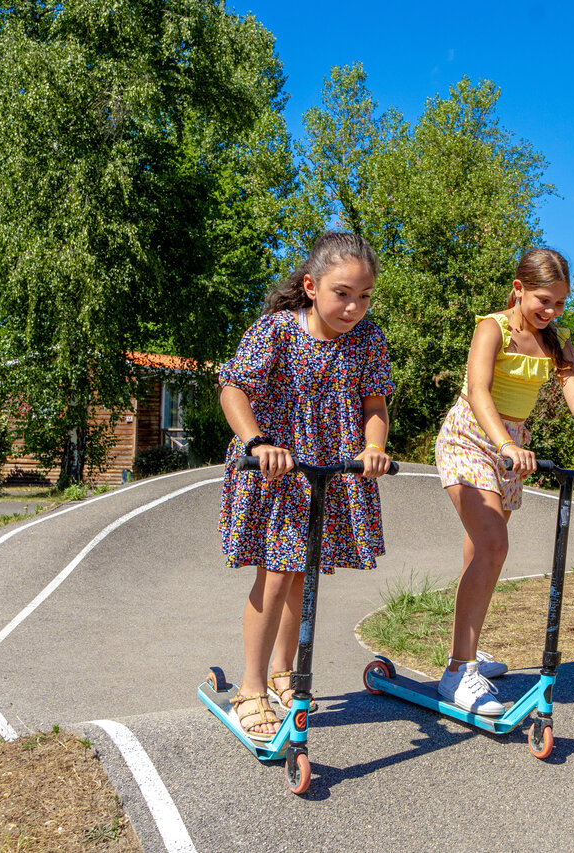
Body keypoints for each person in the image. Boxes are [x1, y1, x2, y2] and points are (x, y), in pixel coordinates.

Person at [217, 231, 394, 742]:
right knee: (276, 573)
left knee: (302, 572)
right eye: (343, 293)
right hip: (275, 466)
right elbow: (234, 388)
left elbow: (374, 404)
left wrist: (373, 447)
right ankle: (250, 687)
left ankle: (282, 670)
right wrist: (257, 442)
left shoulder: (367, 339)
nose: (354, 306)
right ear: (312, 286)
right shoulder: (276, 331)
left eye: (363, 296)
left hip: (329, 468)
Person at [434, 247, 574, 715]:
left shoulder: (556, 340)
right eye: (543, 300)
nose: (551, 311)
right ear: (518, 289)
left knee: (482, 551)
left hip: (514, 445)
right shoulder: (491, 327)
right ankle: (458, 670)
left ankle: (467, 650)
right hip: (472, 437)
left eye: (560, 303)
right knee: (494, 544)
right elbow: (478, 390)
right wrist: (503, 444)